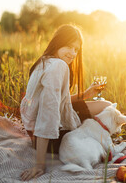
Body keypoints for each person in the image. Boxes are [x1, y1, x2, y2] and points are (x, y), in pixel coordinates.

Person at [20, 24, 112, 181]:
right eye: (69, 46)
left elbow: (58, 101)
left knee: (105, 106)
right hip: (49, 139)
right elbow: (48, 113)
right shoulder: (58, 66)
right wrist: (40, 164)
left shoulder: (45, 61)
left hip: (34, 133)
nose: (73, 53)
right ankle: (98, 140)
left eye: (76, 49)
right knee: (108, 110)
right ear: (57, 42)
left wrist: (86, 94)